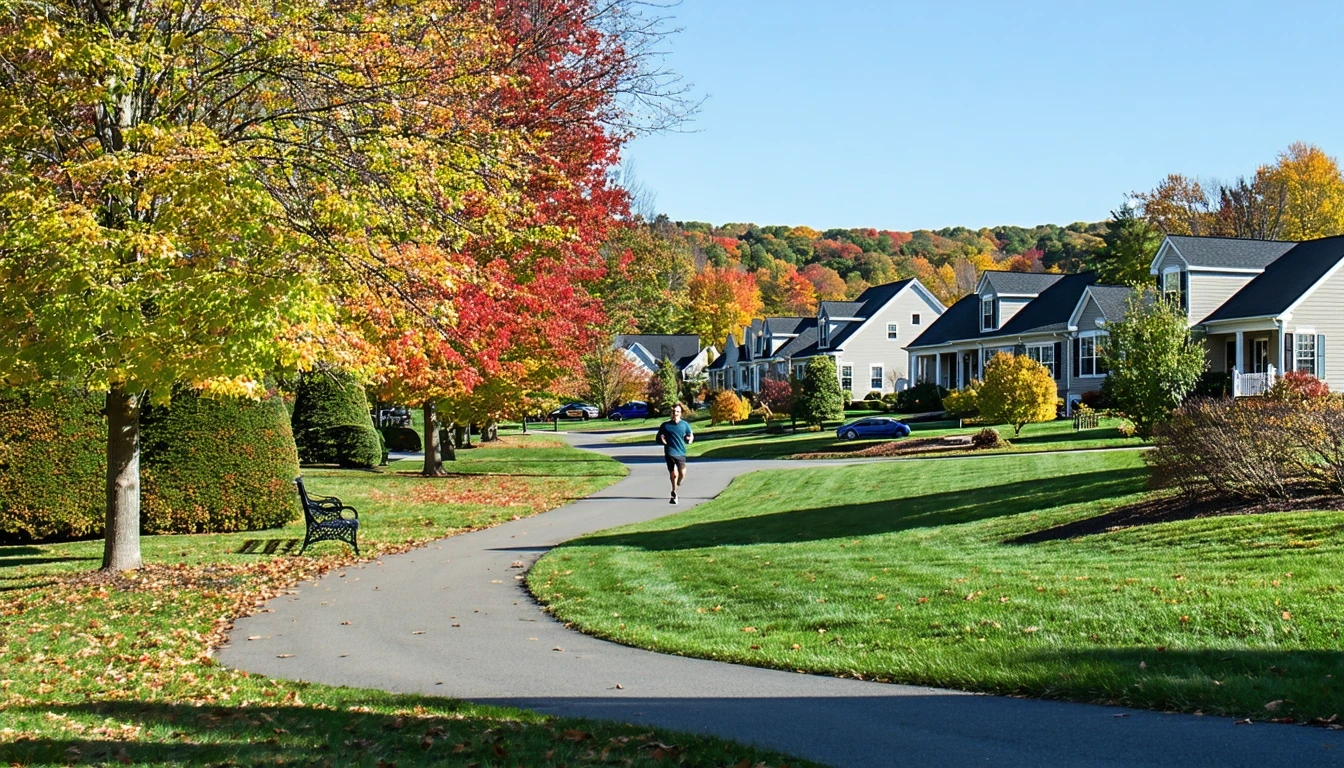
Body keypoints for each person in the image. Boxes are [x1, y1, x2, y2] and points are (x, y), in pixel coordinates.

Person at [656, 403, 694, 504]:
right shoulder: (665, 425)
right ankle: (674, 492)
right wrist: (661, 439)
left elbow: (690, 435)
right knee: (673, 473)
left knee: (682, 474)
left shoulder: (684, 424)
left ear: (680, 413)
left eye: (677, 411)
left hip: (680, 452)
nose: (675, 413)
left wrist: (689, 439)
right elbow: (658, 437)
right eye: (673, 411)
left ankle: (678, 483)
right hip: (669, 451)